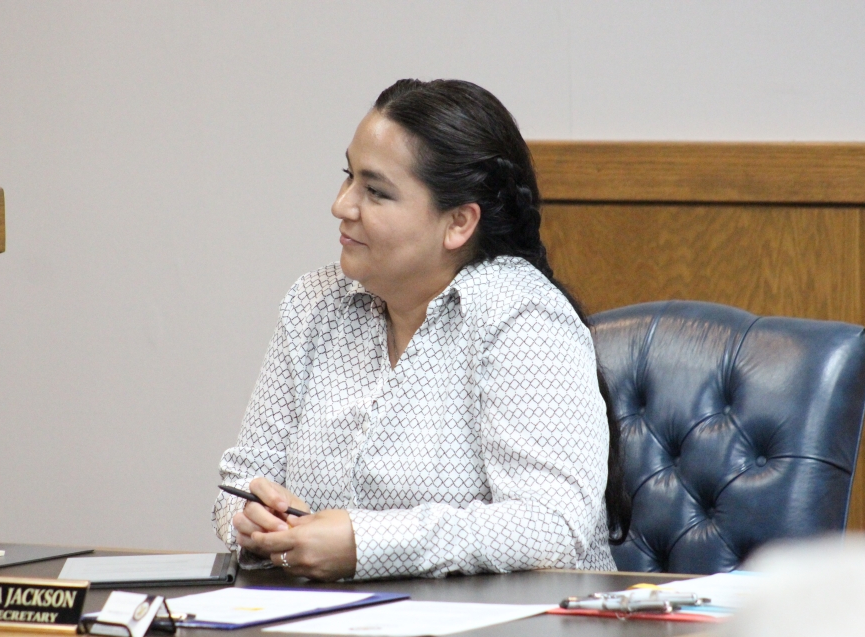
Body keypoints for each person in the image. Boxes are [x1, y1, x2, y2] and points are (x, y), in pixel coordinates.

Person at [212, 79, 630, 581]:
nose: (341, 205)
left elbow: (551, 526)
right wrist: (257, 522)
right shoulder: (314, 305)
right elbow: (239, 482)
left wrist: (363, 543)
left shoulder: (522, 317)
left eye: (375, 192)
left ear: (458, 223)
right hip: (331, 628)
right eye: (348, 177)